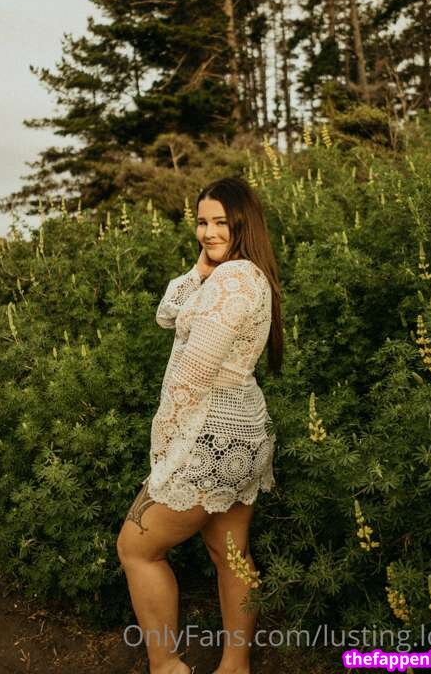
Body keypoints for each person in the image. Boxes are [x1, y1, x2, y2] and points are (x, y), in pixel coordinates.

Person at [117, 176, 283, 674]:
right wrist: (202, 265)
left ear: (243, 224)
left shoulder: (233, 281)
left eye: (220, 222)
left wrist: (166, 448)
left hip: (209, 439)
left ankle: (167, 666)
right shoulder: (242, 275)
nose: (208, 232)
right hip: (243, 434)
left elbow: (192, 374)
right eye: (202, 222)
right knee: (230, 553)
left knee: (136, 548)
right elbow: (167, 313)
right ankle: (235, 666)